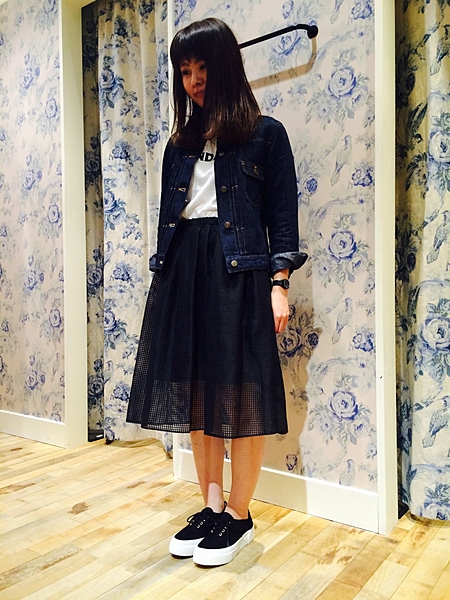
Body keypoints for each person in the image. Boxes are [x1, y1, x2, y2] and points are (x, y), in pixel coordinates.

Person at [126, 17, 306, 567]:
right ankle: (209, 505)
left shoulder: (266, 135)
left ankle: (240, 514)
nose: (194, 80)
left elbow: (282, 218)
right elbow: (173, 216)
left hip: (240, 270)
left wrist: (279, 283)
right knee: (199, 394)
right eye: (185, 70)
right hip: (184, 269)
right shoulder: (178, 145)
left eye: (203, 66)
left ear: (226, 65)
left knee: (242, 394)